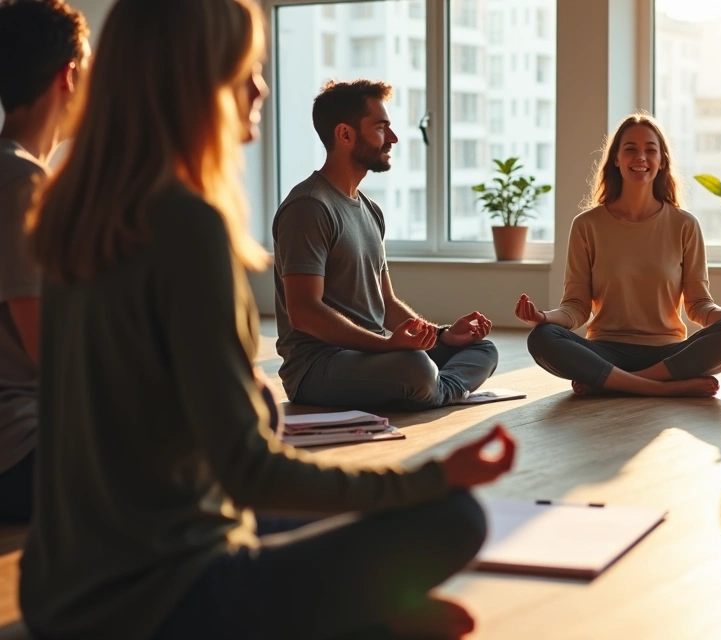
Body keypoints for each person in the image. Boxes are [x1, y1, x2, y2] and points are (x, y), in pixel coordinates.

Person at [19, 1, 515, 638]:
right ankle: (368, 621)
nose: (260, 87)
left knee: (333, 523)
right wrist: (432, 476)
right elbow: (249, 471)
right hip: (158, 595)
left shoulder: (69, 214)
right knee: (455, 517)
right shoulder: (190, 224)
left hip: (61, 585)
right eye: (246, 68)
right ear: (198, 79)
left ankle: (366, 616)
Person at [274, 79, 497, 412]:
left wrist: (442, 336)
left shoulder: (370, 210)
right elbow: (304, 313)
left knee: (483, 350)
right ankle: (438, 388)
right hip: (318, 366)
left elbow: (387, 302)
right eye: (381, 128)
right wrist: (385, 346)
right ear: (345, 134)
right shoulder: (309, 207)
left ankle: (434, 389)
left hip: (374, 351)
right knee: (417, 368)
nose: (392, 138)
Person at [518, 113, 721, 397]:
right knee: (542, 338)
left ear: (662, 162)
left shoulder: (684, 225)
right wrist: (543, 317)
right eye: (630, 149)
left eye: (650, 150)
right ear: (616, 160)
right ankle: (661, 389)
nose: (641, 157)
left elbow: (698, 306)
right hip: (605, 350)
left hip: (667, 354)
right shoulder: (586, 225)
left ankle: (618, 383)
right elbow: (576, 307)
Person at [0, 0, 88, 522]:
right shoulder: (21, 182)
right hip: (26, 446)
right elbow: (46, 348)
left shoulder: (19, 174)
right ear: (69, 76)